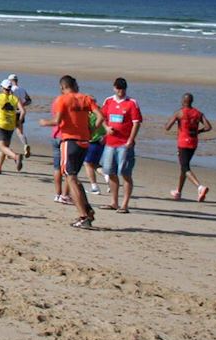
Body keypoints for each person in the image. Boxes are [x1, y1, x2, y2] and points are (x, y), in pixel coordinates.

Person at [40, 75, 105, 228]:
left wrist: (44, 122)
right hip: (84, 141)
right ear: (75, 85)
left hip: (70, 140)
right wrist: (91, 130)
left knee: (70, 177)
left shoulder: (62, 100)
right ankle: (87, 210)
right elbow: (101, 117)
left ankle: (83, 216)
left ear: (63, 87)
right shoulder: (86, 98)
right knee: (74, 176)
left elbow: (57, 121)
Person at [100, 78, 143, 213]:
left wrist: (131, 139)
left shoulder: (131, 103)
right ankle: (114, 202)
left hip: (124, 144)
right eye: (118, 88)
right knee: (110, 171)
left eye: (122, 88)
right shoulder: (108, 101)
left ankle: (125, 204)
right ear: (114, 88)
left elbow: (136, 123)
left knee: (125, 173)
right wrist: (106, 129)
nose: (120, 91)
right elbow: (102, 118)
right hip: (110, 143)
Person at [164, 93, 213, 201]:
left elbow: (167, 127)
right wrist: (198, 131)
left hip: (183, 143)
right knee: (184, 166)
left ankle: (200, 187)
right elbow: (208, 127)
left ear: (183, 101)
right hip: (193, 142)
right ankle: (178, 192)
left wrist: (172, 120)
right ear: (191, 101)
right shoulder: (198, 113)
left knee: (185, 167)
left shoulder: (179, 113)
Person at [0, 79, 24, 173]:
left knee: (2, 147)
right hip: (11, 125)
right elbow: (23, 111)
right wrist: (19, 122)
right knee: (5, 148)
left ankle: (16, 156)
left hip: (1, 124)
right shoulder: (15, 98)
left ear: (3, 88)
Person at [7, 74, 31, 158]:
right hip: (21, 112)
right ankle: (25, 145)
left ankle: (7, 151)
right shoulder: (22, 89)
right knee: (20, 132)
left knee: (8, 132)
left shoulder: (11, 90)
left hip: (12, 112)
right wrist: (22, 105)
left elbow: (8, 101)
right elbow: (29, 100)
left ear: (10, 80)